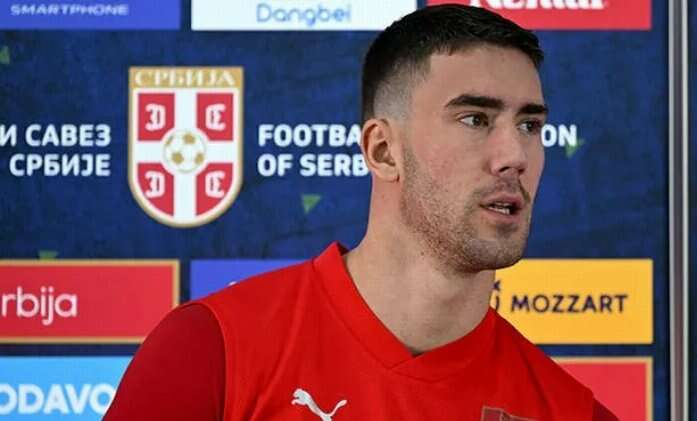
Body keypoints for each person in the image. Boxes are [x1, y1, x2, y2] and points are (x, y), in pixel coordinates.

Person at [105, 4, 617, 420]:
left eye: (530, 126)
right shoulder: (212, 350)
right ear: (383, 151)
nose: (515, 155)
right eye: (475, 119)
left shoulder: (569, 411)